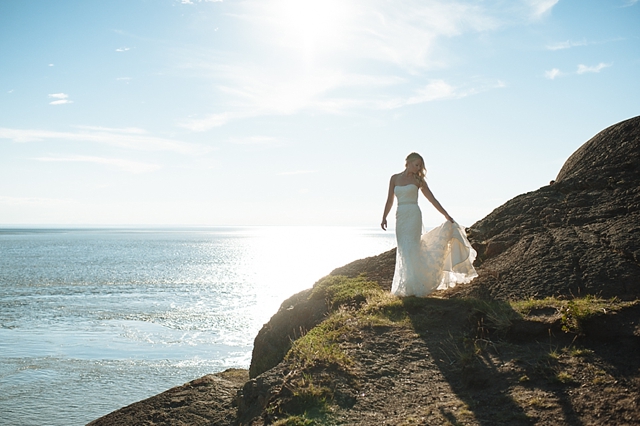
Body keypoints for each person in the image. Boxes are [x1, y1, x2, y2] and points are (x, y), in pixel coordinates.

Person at [381, 152, 477, 297]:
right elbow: (389, 200)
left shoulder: (419, 181)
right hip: (400, 216)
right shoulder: (394, 178)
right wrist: (384, 217)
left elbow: (432, 200)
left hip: (413, 216)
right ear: (408, 162)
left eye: (420, 166)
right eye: (416, 164)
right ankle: (408, 285)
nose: (418, 168)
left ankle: (415, 286)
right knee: (403, 249)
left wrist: (446, 214)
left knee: (412, 247)